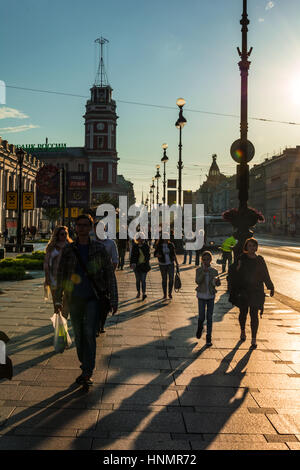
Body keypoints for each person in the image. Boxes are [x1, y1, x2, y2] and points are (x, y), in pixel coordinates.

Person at [54, 214, 118, 388]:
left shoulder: (99, 249)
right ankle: (85, 364)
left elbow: (109, 274)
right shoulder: (69, 249)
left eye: (85, 225)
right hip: (74, 299)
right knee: (80, 335)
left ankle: (87, 371)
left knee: (89, 333)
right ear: (75, 228)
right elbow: (60, 275)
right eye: (79, 225)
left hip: (93, 298)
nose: (81, 228)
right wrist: (57, 300)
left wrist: (114, 299)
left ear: (90, 228)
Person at [230, 237, 274, 349]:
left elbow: (265, 274)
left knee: (254, 315)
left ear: (256, 247)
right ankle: (243, 330)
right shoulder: (242, 258)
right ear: (246, 247)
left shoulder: (260, 259)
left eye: (254, 246)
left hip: (256, 291)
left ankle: (253, 339)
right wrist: (238, 267)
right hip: (243, 290)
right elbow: (233, 272)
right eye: (250, 246)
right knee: (243, 313)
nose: (252, 248)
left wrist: (270, 286)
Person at [44, 226, 73, 317]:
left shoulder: (71, 246)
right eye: (62, 234)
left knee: (67, 298)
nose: (64, 236)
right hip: (54, 277)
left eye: (66, 234)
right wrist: (47, 277)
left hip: (68, 277)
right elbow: (46, 263)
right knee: (56, 301)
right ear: (57, 235)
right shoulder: (52, 247)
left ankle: (64, 318)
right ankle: (57, 317)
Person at [195, 251, 221, 347]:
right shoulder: (199, 270)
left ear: (211, 260)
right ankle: (200, 327)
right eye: (204, 259)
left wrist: (217, 281)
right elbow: (197, 281)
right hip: (201, 296)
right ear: (202, 260)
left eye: (208, 259)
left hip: (210, 296)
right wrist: (203, 272)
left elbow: (218, 284)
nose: (206, 261)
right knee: (201, 316)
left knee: (209, 317)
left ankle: (208, 337)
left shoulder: (214, 271)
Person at [154, 234, 179, 300]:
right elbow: (155, 254)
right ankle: (164, 294)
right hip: (162, 264)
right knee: (164, 279)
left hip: (170, 263)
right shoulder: (159, 245)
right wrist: (158, 255)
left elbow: (174, 254)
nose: (166, 238)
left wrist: (177, 263)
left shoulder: (171, 245)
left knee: (171, 279)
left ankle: (170, 293)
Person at [130, 233, 151, 300]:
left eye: (141, 238)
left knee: (143, 280)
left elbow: (148, 256)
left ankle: (144, 293)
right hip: (136, 266)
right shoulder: (135, 246)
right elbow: (132, 256)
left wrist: (146, 262)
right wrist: (132, 264)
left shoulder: (146, 246)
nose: (140, 239)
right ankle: (138, 292)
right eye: (139, 238)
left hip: (144, 266)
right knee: (138, 280)